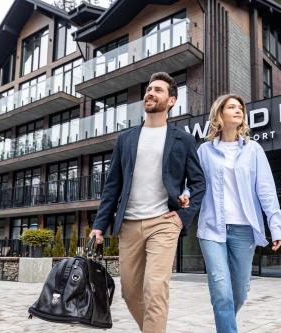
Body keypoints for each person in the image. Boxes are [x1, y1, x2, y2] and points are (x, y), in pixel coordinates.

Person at [89, 72, 205, 333]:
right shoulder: (126, 139)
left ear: (172, 100)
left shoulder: (183, 140)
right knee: (130, 293)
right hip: (128, 225)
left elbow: (199, 183)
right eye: (149, 89)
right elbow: (112, 186)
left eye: (158, 90)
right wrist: (99, 225)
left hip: (163, 223)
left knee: (155, 289)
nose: (150, 93)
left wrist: (181, 217)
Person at [180, 94, 281, 333]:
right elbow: (195, 182)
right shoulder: (205, 151)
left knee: (239, 292)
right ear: (220, 114)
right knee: (221, 293)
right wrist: (186, 194)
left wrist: (275, 225)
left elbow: (266, 191)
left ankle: (224, 325)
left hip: (244, 230)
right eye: (232, 107)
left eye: (240, 108)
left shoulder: (253, 150)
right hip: (211, 229)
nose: (238, 110)